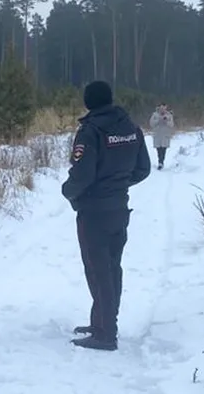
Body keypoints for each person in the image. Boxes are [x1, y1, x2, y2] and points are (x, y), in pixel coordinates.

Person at [62, 80, 151, 351]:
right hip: (119, 208)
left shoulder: (90, 132)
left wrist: (69, 191)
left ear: (88, 102)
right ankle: (101, 321)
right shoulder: (131, 127)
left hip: (94, 211)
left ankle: (106, 333)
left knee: (98, 270)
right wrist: (119, 184)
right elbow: (143, 168)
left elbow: (83, 173)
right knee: (112, 268)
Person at [149, 103, 175, 170]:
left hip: (165, 135)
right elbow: (151, 124)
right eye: (161, 108)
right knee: (158, 150)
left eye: (164, 108)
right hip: (157, 135)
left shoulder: (169, 115)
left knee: (163, 150)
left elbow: (171, 125)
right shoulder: (154, 115)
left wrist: (166, 121)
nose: (162, 109)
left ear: (166, 108)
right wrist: (158, 120)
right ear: (159, 108)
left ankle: (161, 162)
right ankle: (160, 162)